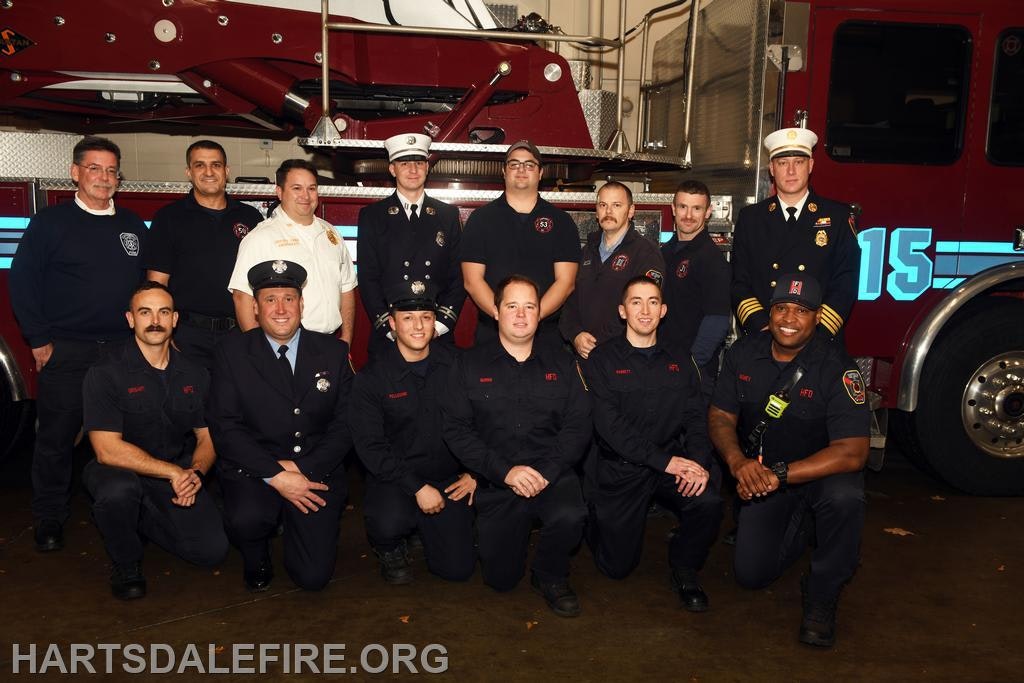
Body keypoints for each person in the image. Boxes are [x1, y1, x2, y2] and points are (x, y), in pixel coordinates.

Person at [708, 274, 870, 647]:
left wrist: (779, 475)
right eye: (781, 308)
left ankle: (823, 591)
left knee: (845, 499)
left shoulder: (836, 367)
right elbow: (719, 416)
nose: (789, 319)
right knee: (751, 575)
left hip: (821, 475)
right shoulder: (743, 354)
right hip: (766, 475)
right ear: (770, 312)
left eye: (801, 311)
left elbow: (854, 452)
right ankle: (806, 530)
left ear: (816, 318)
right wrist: (738, 464)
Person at [10, 135, 145, 553]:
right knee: (56, 439)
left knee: (131, 437)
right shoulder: (50, 223)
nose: (103, 178)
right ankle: (50, 516)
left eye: (110, 171)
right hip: (68, 350)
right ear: (75, 173)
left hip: (123, 352)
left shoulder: (133, 225)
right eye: (94, 168)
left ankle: (136, 513)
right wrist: (38, 338)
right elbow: (23, 281)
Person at [442, 275, 591, 617]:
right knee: (500, 580)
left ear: (540, 314)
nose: (521, 315)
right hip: (497, 479)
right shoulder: (467, 365)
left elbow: (578, 426)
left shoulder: (564, 364)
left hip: (551, 474)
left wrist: (547, 470)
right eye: (512, 306)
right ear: (495, 311)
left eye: (530, 307)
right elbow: (456, 430)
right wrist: (505, 471)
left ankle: (550, 574)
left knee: (571, 515)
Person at [208, 259, 354, 592]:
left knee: (313, 578)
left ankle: (297, 531)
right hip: (254, 469)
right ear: (256, 308)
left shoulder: (332, 352)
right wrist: (276, 474)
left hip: (315, 469)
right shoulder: (232, 352)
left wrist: (301, 468)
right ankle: (256, 553)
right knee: (248, 518)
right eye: (270, 300)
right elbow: (225, 426)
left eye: (289, 298)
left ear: (302, 304)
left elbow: (346, 425)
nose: (280, 308)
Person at [82, 282, 228, 599]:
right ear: (130, 319)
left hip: (173, 471)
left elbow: (208, 436)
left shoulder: (195, 373)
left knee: (211, 552)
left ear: (175, 319)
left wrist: (195, 474)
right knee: (118, 492)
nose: (155, 320)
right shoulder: (106, 372)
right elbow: (106, 450)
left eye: (163, 312)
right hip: (118, 470)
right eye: (144, 312)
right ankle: (126, 560)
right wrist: (174, 473)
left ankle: (141, 518)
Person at [584, 275, 722, 610]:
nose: (645, 310)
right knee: (616, 568)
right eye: (636, 302)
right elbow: (610, 428)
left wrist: (699, 464)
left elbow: (695, 418)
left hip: (667, 461)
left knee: (707, 499)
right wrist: (666, 462)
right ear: (622, 311)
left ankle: (685, 566)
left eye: (652, 302)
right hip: (621, 468)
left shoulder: (681, 360)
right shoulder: (602, 361)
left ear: (663, 311)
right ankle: (595, 518)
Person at [350, 281, 476, 585]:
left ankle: (425, 529)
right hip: (396, 477)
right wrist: (417, 487)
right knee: (387, 520)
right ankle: (390, 545)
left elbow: (483, 422)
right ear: (392, 324)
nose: (418, 326)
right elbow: (370, 446)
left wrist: (475, 473)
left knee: (457, 571)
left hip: (447, 478)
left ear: (436, 323)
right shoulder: (372, 378)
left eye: (426, 317)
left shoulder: (459, 365)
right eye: (407, 318)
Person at [144, 140, 265, 370]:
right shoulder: (169, 218)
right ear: (189, 172)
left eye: (216, 165)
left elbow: (262, 282)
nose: (209, 172)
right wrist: (165, 335)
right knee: (190, 404)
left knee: (236, 403)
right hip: (187, 337)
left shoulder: (251, 218)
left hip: (239, 333)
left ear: (226, 171)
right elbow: (156, 284)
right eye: (200, 165)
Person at [731, 128, 860, 338]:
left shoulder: (837, 217)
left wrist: (817, 331)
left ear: (810, 165)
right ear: (772, 168)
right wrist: (763, 326)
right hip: (765, 337)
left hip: (817, 341)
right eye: (782, 163)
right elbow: (739, 282)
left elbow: (846, 281)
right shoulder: (750, 218)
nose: (791, 171)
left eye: (798, 162)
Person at [461, 140, 580, 344]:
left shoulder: (562, 222)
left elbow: (565, 282)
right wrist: (504, 318)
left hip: (545, 335)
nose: (521, 169)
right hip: (493, 333)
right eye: (514, 164)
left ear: (540, 173)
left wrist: (532, 317)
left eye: (529, 164)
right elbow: (472, 281)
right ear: (504, 171)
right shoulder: (480, 219)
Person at [227, 159, 357, 344]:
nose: (306, 195)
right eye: (297, 188)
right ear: (279, 192)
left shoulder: (331, 233)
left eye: (311, 188)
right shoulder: (260, 237)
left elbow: (347, 288)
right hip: (285, 344)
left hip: (331, 343)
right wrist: (261, 351)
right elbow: (242, 298)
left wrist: (346, 338)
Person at [357, 133, 464, 355]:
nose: (413, 170)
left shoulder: (448, 215)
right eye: (404, 163)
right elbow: (368, 278)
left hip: (435, 334)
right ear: (392, 169)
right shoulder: (372, 216)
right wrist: (388, 327)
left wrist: (440, 325)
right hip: (391, 335)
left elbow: (459, 276)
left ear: (427, 167)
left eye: (419, 163)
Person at [559, 181, 665, 359]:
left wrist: (599, 342)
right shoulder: (587, 252)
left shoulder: (646, 254)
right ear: (596, 211)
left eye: (616, 205)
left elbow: (642, 311)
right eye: (603, 205)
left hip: (624, 358)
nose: (608, 212)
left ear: (631, 211)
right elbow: (570, 301)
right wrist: (575, 335)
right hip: (583, 354)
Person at [660, 180, 731, 398]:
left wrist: (690, 366)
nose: (688, 215)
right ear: (673, 209)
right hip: (662, 365)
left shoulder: (712, 260)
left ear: (708, 212)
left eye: (697, 208)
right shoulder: (664, 252)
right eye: (682, 207)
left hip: (692, 374)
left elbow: (717, 321)